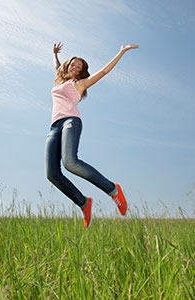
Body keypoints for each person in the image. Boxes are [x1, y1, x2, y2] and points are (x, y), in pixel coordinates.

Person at [45, 42, 139, 228]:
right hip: (54, 127)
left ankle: (112, 189)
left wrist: (121, 51)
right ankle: (83, 203)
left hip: (71, 121)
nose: (75, 67)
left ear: (81, 72)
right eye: (73, 64)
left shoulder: (79, 84)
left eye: (79, 67)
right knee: (52, 174)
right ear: (67, 65)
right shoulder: (60, 80)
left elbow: (104, 71)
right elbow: (57, 67)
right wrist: (55, 54)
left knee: (70, 162)